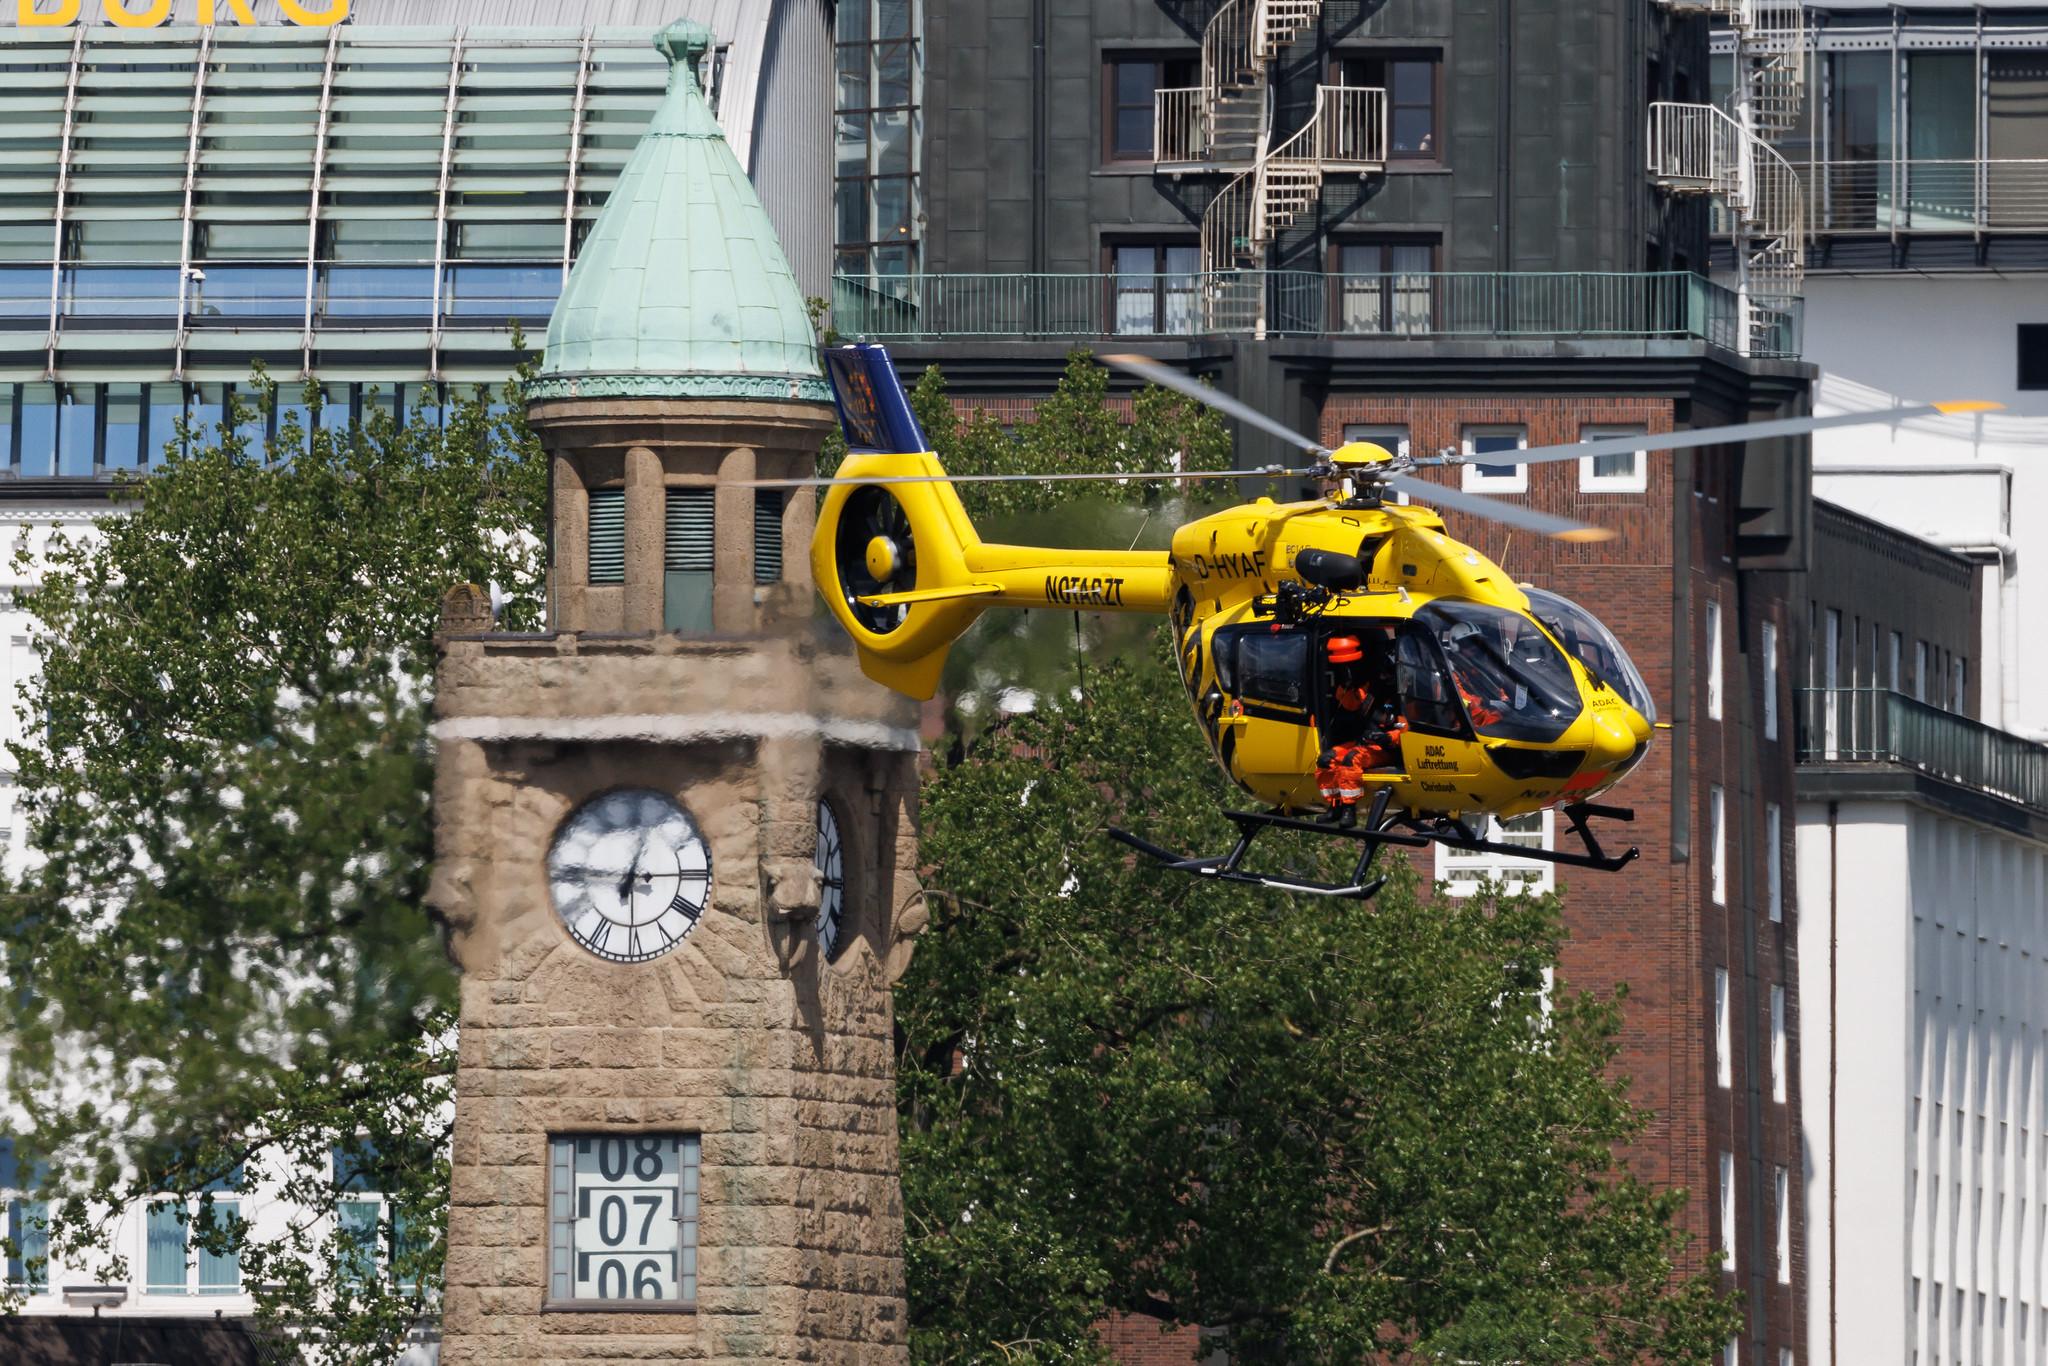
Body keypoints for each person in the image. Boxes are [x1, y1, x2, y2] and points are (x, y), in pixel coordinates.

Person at [1315, 635, 1406, 826]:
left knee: (1351, 759)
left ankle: (1349, 810)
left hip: (1386, 749)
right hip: (1364, 743)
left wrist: (1386, 738)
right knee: (1326, 759)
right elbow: (1350, 704)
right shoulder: (1370, 690)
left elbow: (1408, 731)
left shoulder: (1403, 696)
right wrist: (1347, 683)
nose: (1384, 675)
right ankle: (1334, 806)